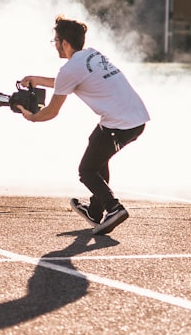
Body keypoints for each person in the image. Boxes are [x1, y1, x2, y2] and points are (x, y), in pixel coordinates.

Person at [18, 15, 150, 236]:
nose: (55, 45)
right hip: (135, 118)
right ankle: (95, 212)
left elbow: (51, 111)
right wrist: (38, 80)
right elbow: (68, 81)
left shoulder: (70, 69)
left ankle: (114, 208)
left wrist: (30, 117)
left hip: (122, 124)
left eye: (56, 41)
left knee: (87, 170)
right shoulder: (93, 55)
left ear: (65, 43)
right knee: (97, 149)